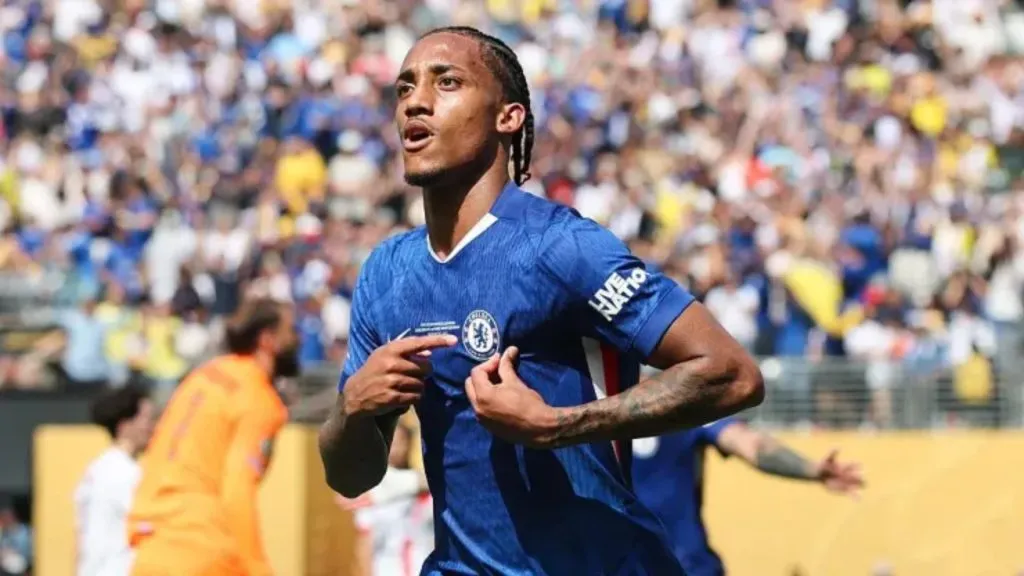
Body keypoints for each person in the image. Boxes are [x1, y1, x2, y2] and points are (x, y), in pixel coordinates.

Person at [319, 26, 765, 576]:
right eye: (405, 87)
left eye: (448, 82)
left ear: (509, 117)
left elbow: (731, 372)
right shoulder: (385, 273)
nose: (417, 101)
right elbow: (351, 476)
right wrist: (352, 408)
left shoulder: (560, 246)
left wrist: (556, 425)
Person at [127, 297, 297, 576]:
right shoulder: (259, 399)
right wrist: (258, 567)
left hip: (151, 550)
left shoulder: (202, 377)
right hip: (205, 552)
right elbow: (236, 491)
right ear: (268, 340)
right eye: (291, 331)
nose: (296, 341)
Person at [631, 417, 865, 575]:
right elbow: (751, 444)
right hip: (685, 562)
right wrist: (811, 469)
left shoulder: (599, 408)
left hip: (625, 563)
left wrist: (811, 470)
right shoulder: (683, 401)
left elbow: (750, 444)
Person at [74, 384, 155, 576]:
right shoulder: (125, 473)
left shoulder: (97, 468)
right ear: (124, 425)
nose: (153, 427)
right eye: (147, 420)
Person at [337, 414, 432, 576]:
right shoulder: (372, 494)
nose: (397, 448)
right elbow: (364, 545)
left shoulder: (426, 492)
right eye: (392, 442)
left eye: (401, 442)